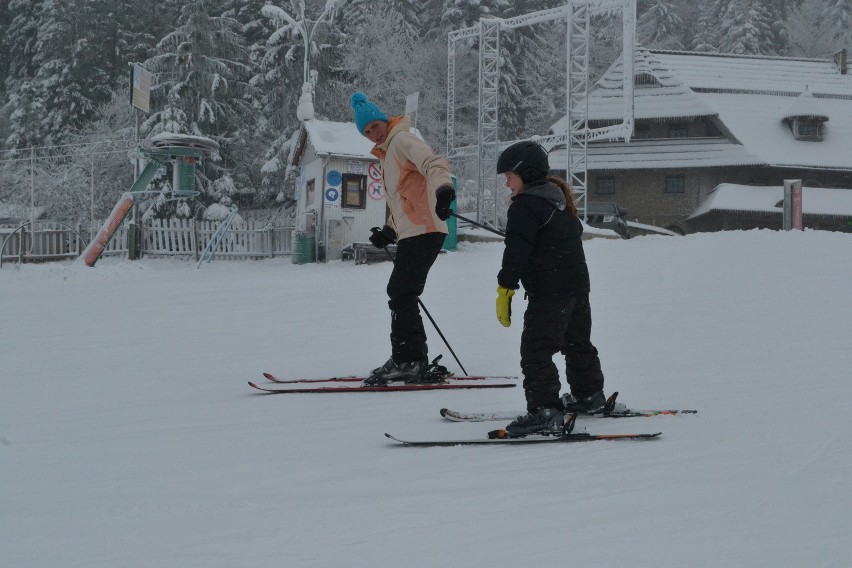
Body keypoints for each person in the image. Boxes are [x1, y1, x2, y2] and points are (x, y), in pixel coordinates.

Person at [494, 140, 615, 436]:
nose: (507, 184)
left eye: (510, 176)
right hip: (576, 290)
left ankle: (545, 411)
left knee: (536, 349)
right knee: (577, 343)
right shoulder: (559, 202)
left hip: (550, 293)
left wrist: (505, 287)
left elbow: (516, 251)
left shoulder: (525, 207)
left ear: (527, 173)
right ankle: (589, 396)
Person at [350, 91, 456, 384]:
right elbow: (403, 198)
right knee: (402, 292)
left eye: (375, 126)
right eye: (367, 131)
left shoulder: (402, 140)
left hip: (426, 229)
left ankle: (408, 360)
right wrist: (389, 231)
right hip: (415, 230)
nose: (373, 133)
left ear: (384, 120)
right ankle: (411, 358)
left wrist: (443, 191)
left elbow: (434, 164)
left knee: (401, 291)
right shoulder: (388, 153)